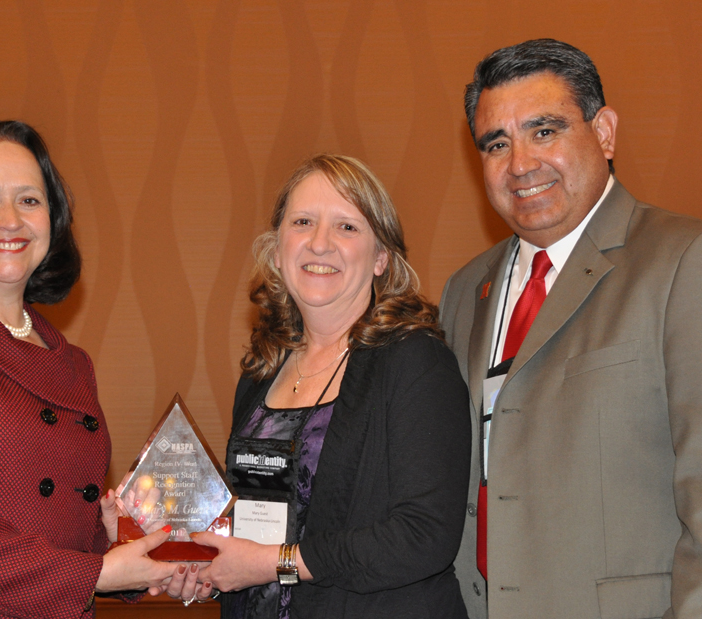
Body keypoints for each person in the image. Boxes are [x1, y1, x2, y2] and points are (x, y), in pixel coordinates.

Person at [0, 120, 207, 617]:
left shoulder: (71, 363)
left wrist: (112, 538)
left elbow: (49, 523)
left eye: (29, 200)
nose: (11, 220)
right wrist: (99, 574)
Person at [439, 39, 702, 619]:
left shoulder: (684, 262)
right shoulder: (463, 291)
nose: (521, 164)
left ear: (604, 132)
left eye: (544, 131)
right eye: (496, 143)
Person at [192, 154, 472, 618]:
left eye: (347, 227)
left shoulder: (415, 362)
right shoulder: (263, 370)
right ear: (278, 248)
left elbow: (423, 536)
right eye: (303, 222)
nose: (320, 243)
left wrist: (271, 564)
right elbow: (266, 515)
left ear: (381, 257)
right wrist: (206, 559)